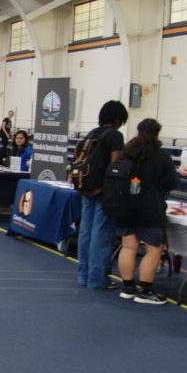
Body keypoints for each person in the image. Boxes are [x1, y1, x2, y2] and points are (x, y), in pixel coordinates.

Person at [113, 119, 179, 305]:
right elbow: (171, 183)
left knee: (128, 246)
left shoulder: (126, 152)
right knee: (153, 249)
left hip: (125, 206)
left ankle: (127, 287)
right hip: (150, 208)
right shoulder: (161, 156)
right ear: (157, 133)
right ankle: (145, 291)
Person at [76, 100, 129, 290]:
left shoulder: (92, 133)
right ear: (118, 119)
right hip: (103, 189)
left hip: (85, 186)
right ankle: (97, 278)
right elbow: (115, 165)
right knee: (101, 234)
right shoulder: (115, 135)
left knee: (85, 232)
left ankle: (83, 275)